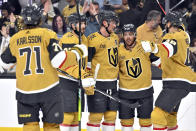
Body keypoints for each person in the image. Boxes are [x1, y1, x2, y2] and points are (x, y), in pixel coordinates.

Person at [0, 3, 92, 131]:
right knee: (52, 126)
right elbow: (58, 61)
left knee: (30, 126)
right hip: (49, 90)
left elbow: (4, 64)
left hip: (25, 91)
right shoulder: (47, 34)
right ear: (39, 18)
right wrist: (77, 52)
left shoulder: (15, 39)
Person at [141, 11, 196, 130]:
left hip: (176, 82)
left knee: (158, 116)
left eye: (167, 23)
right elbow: (169, 60)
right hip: (182, 81)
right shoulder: (184, 36)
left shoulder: (174, 36)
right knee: (170, 117)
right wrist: (154, 59)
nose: (165, 26)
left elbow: (167, 49)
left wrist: (152, 47)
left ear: (170, 23)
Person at [118, 23, 160, 131]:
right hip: (125, 93)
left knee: (146, 123)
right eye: (126, 34)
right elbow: (111, 70)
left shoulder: (144, 46)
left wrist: (155, 48)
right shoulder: (118, 51)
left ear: (135, 35)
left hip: (145, 92)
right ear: (122, 35)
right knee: (126, 124)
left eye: (131, 34)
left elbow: (160, 62)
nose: (128, 37)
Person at [58, 13, 94, 131]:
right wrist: (83, 76)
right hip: (66, 81)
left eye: (84, 23)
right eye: (80, 23)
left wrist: (88, 76)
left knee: (75, 117)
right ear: (72, 25)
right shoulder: (67, 39)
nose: (83, 26)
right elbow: (67, 65)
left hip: (78, 81)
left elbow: (86, 62)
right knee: (67, 116)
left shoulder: (84, 38)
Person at [86, 10, 119, 131]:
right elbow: (87, 63)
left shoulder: (115, 37)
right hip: (98, 84)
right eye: (113, 23)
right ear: (105, 23)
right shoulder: (92, 40)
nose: (115, 25)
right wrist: (87, 78)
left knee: (111, 116)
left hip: (113, 83)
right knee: (95, 117)